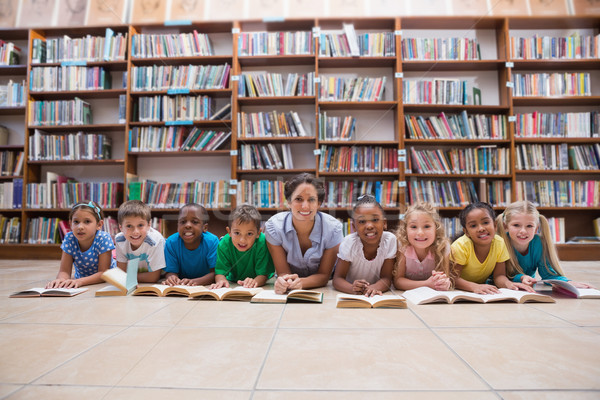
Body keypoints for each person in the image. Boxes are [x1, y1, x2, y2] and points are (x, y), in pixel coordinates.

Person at [265, 173, 343, 294]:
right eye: (298, 199)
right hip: (290, 286)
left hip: (323, 289)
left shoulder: (334, 229)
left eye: (311, 199)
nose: (305, 206)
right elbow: (283, 272)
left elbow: (323, 276)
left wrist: (301, 283)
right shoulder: (273, 227)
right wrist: (285, 282)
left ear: (319, 203)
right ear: (289, 202)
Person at [497, 200, 594, 289]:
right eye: (516, 225)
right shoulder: (500, 242)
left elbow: (548, 275)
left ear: (536, 229)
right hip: (507, 285)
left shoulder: (539, 243)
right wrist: (521, 278)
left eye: (529, 226)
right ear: (506, 226)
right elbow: (497, 276)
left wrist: (568, 283)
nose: (523, 231)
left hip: (526, 287)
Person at [450, 201, 531, 294]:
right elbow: (453, 278)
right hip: (460, 291)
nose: (481, 228)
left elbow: (499, 276)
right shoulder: (460, 246)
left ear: (495, 225)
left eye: (485, 222)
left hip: (481, 290)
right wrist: (475, 287)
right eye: (473, 225)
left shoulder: (499, 243)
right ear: (466, 232)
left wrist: (509, 284)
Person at [332, 194, 396, 296]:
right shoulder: (349, 242)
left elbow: (386, 278)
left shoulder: (389, 240)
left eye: (375, 220)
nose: (369, 226)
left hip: (374, 294)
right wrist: (351, 288)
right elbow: (337, 279)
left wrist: (374, 288)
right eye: (362, 221)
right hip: (353, 293)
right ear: (354, 226)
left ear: (384, 223)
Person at [46, 201, 115, 288]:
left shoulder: (103, 238)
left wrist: (80, 281)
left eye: (87, 221)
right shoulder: (69, 238)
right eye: (76, 222)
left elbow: (103, 274)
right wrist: (61, 280)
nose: (80, 227)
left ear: (99, 224)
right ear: (70, 224)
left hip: (106, 278)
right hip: (80, 279)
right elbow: (64, 271)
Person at [393, 202, 454, 291]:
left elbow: (445, 277)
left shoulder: (443, 247)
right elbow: (398, 282)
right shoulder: (403, 247)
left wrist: (443, 283)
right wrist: (426, 284)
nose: (420, 233)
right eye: (413, 226)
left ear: (436, 229)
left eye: (426, 226)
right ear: (405, 230)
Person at [211, 204, 274, 289]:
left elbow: (263, 275)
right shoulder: (224, 244)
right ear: (229, 231)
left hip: (261, 280)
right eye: (237, 233)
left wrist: (254, 282)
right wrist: (221, 281)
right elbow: (220, 273)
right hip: (234, 281)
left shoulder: (262, 242)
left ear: (258, 233)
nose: (242, 240)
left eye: (249, 234)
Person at [163, 203, 218, 286]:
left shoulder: (212, 242)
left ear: (205, 228)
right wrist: (172, 278)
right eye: (183, 222)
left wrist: (196, 282)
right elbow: (170, 272)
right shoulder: (171, 242)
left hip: (206, 287)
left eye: (195, 222)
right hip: (181, 287)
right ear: (177, 226)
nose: (188, 225)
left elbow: (216, 273)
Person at [115, 200, 166, 283]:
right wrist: (125, 277)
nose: (135, 231)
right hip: (137, 278)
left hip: (162, 277)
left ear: (149, 225)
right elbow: (121, 272)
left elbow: (153, 277)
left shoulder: (155, 241)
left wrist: (127, 278)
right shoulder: (120, 240)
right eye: (129, 226)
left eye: (140, 225)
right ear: (120, 227)